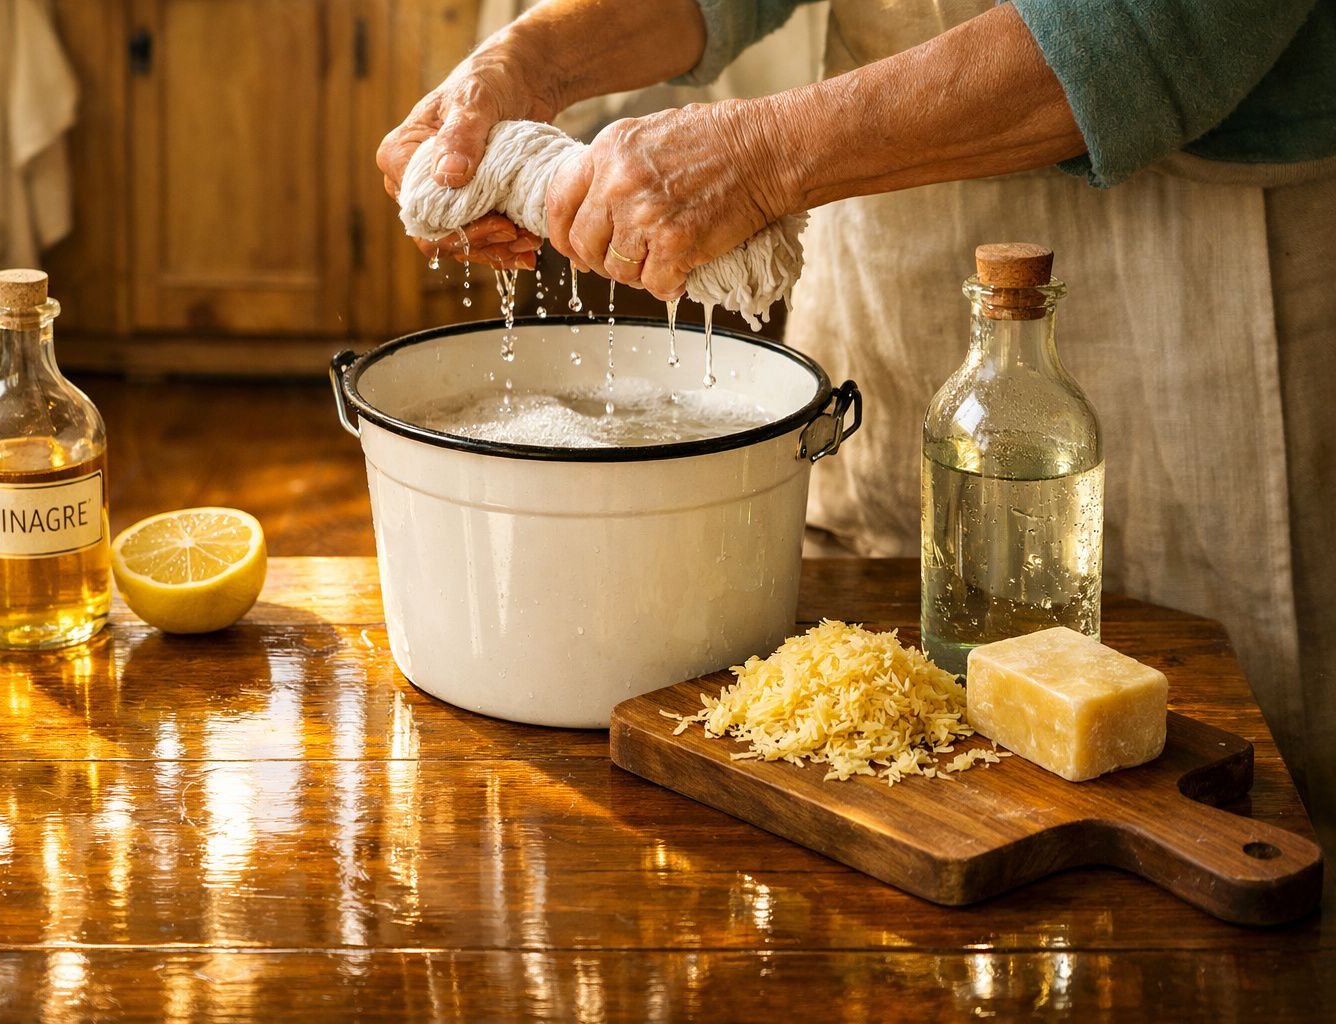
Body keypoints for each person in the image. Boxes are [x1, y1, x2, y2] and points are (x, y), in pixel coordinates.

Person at [377, 0, 1336, 847]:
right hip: (888, 208)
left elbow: (1167, 21)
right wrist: (533, 61)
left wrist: (765, 155)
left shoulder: (777, 160)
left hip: (1206, 251)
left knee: (1232, 741)